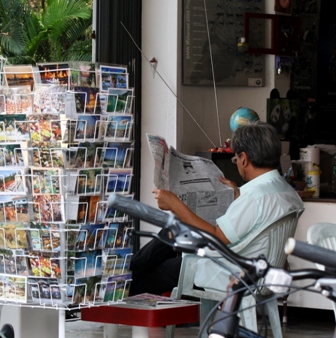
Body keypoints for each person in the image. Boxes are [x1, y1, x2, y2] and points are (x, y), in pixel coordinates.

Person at [129, 122, 304, 296]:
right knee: (173, 231)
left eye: (235, 159)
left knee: (162, 270)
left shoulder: (254, 197)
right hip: (261, 270)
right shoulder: (286, 191)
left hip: (231, 272)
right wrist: (235, 194)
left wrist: (175, 204)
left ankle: (122, 285)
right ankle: (128, 274)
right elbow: (256, 221)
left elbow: (216, 237)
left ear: (244, 158)